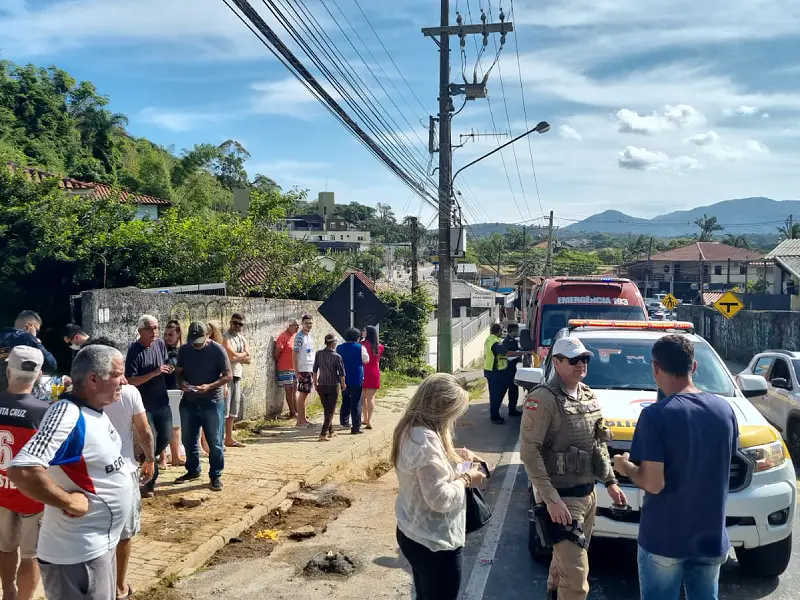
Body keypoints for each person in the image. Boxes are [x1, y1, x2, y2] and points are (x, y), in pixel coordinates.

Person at [613, 335, 738, 600]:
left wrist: (625, 467)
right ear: (693, 367)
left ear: (656, 368)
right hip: (711, 537)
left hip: (665, 539)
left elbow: (653, 483)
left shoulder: (655, 416)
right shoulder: (724, 410)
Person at [8, 344, 133, 600]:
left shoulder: (94, 412)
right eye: (118, 374)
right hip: (77, 555)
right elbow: (22, 469)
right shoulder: (68, 413)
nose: (124, 381)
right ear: (94, 379)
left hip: (98, 547)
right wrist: (68, 501)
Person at [520, 337, 627, 600]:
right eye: (574, 360)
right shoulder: (543, 399)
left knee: (562, 566)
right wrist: (551, 499)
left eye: (585, 359)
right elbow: (529, 452)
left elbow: (598, 445)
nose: (582, 364)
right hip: (562, 498)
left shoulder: (588, 395)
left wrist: (610, 481)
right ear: (556, 363)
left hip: (587, 494)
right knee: (577, 578)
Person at [392, 373, 487, 599]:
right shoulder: (425, 441)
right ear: (441, 409)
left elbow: (432, 473)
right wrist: (467, 479)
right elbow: (439, 498)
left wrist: (458, 457)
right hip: (434, 543)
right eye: (453, 413)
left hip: (413, 532)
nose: (453, 420)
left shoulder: (411, 428)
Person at [83, 337, 155, 600]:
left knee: (95, 534)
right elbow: (144, 430)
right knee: (123, 534)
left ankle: (99, 585)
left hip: (89, 478)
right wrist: (150, 458)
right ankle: (117, 586)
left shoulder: (75, 399)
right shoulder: (129, 393)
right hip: (123, 473)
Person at [0, 347, 49, 600]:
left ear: (8, 371)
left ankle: (8, 591)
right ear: (39, 375)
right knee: (31, 555)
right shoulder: (44, 412)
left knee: (6, 547)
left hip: (1, 492)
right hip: (32, 495)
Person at [174, 322, 232, 491]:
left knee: (214, 441)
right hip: (189, 401)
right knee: (188, 439)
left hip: (212, 401)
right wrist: (181, 383)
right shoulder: (185, 350)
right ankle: (192, 470)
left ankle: (215, 474)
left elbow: (227, 375)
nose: (197, 345)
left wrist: (210, 386)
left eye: (199, 341)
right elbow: (178, 372)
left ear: (208, 335)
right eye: (194, 341)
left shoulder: (218, 350)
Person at [125, 315, 173, 498]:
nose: (154, 332)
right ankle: (149, 484)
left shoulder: (160, 344)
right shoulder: (134, 351)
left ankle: (146, 463)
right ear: (140, 331)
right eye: (150, 328)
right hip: (144, 407)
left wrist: (170, 368)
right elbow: (131, 380)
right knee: (150, 440)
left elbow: (165, 362)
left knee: (167, 437)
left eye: (156, 328)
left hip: (162, 401)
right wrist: (154, 373)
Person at [0, 310, 57, 393]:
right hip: (18, 394)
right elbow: (51, 365)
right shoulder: (27, 338)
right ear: (29, 326)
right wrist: (37, 343)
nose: (36, 333)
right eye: (37, 330)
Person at [484, 323, 528, 425]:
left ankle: (497, 414)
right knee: (496, 395)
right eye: (502, 330)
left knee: (499, 393)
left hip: (493, 370)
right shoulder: (495, 342)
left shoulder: (491, 339)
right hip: (495, 372)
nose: (503, 332)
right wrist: (523, 353)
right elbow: (507, 353)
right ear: (498, 331)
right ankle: (494, 416)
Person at [223, 313, 250, 447]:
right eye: (235, 323)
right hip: (227, 376)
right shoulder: (225, 337)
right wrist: (242, 355)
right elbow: (230, 356)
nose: (238, 326)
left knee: (233, 410)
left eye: (240, 324)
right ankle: (220, 439)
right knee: (225, 411)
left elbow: (249, 359)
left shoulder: (242, 339)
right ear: (230, 323)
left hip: (237, 375)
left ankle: (229, 438)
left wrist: (238, 356)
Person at [312, 334, 346, 442]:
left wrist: (315, 382)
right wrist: (343, 384)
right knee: (330, 410)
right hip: (333, 385)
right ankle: (323, 434)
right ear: (334, 343)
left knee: (326, 409)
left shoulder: (318, 354)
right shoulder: (337, 357)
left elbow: (315, 369)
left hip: (321, 384)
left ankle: (331, 431)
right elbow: (341, 373)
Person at [336, 327, 370, 434]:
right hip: (356, 378)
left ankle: (344, 421)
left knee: (345, 399)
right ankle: (356, 427)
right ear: (357, 338)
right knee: (356, 402)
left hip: (343, 378)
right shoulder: (360, 347)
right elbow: (366, 360)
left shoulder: (339, 347)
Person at [164, 320, 186, 467]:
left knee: (177, 424)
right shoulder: (162, 350)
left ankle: (176, 454)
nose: (167, 337)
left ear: (178, 334)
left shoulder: (183, 351)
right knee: (172, 425)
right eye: (165, 334)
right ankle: (173, 456)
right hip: (167, 389)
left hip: (180, 390)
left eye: (171, 334)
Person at [274, 319, 299, 420]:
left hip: (294, 368)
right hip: (285, 368)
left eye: (298, 325)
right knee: (289, 390)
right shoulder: (283, 336)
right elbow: (276, 353)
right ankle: (292, 412)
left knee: (294, 390)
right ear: (289, 326)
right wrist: (279, 363)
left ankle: (297, 411)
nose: (297, 327)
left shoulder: (294, 336)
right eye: (295, 325)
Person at [293, 314, 315, 428]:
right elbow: (295, 355)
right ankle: (299, 421)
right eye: (306, 323)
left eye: (310, 323)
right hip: (303, 369)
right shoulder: (299, 337)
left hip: (310, 368)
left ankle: (303, 418)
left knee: (305, 394)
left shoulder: (310, 336)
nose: (309, 325)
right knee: (302, 394)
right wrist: (297, 371)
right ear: (302, 323)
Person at [361, 325, 385, 430]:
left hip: (363, 371)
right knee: (371, 398)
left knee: (363, 397)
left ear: (368, 333)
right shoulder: (380, 347)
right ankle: (370, 420)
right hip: (374, 372)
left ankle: (365, 418)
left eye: (364, 330)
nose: (362, 332)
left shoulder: (361, 345)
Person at [502, 322, 524, 417]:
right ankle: (512, 410)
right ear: (513, 330)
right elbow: (508, 355)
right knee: (512, 390)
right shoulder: (507, 341)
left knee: (513, 390)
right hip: (508, 369)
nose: (517, 332)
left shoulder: (513, 340)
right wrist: (521, 353)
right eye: (516, 330)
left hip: (512, 368)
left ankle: (512, 408)